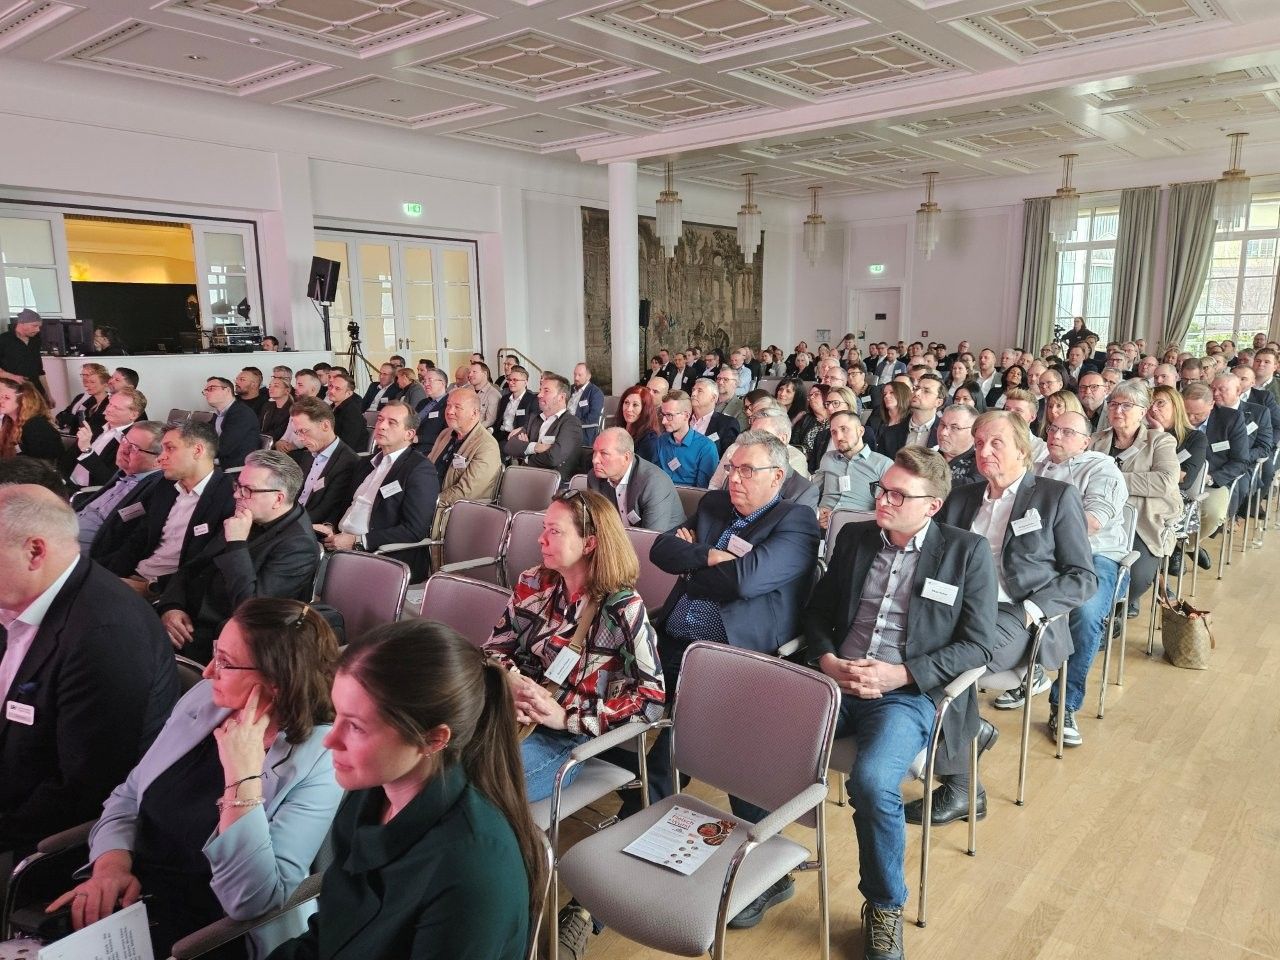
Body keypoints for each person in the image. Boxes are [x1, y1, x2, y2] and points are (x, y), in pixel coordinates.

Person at [49, 599, 342, 959]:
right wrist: (112, 866)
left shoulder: (321, 758)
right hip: (133, 900)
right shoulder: (205, 700)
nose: (206, 672)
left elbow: (252, 901)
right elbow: (129, 795)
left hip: (212, 933)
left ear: (278, 680)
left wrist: (241, 776)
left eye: (225, 662)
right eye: (215, 653)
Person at [805, 448, 997, 959]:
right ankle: (772, 866)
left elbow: (979, 645)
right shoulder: (855, 537)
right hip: (837, 680)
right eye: (880, 490)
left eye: (896, 495)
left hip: (905, 694)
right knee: (756, 738)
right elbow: (818, 612)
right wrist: (828, 661)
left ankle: (885, 906)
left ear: (932, 506)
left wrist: (901, 674)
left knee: (870, 781)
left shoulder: (966, 552)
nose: (881, 501)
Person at [266, 620, 543, 960]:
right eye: (337, 715)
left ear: (433, 739)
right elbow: (332, 934)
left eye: (355, 726)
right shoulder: (370, 797)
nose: (329, 739)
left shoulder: (471, 869)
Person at [914, 411, 1095, 826]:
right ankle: (972, 733)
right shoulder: (961, 498)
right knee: (907, 645)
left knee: (946, 662)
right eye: (978, 443)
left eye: (995, 443)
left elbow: (1082, 577)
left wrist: (1034, 610)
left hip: (1019, 614)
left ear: (1023, 449)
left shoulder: (1054, 496)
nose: (984, 451)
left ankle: (963, 788)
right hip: (954, 607)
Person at [0, 485, 179, 857]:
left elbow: (81, 791)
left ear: (34, 552)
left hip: (36, 837)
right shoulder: (22, 600)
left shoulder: (105, 636)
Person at [647, 432, 821, 805]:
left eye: (746, 470)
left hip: (731, 653)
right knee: (604, 688)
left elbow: (746, 581)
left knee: (686, 729)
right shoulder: (714, 504)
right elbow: (661, 550)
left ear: (777, 477)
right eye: (731, 469)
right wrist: (710, 555)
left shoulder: (795, 521)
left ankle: (651, 804)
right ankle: (623, 777)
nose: (734, 479)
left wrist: (691, 560)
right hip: (673, 637)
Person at [155, 451, 319, 663]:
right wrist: (171, 606)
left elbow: (250, 609)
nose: (236, 495)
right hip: (186, 614)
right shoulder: (249, 513)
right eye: (238, 485)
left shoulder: (299, 546)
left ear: (278, 498)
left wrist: (236, 543)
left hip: (221, 635)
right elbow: (192, 567)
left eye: (247, 490)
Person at [1037, 411, 1132, 745]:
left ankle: (1064, 704)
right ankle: (1026, 672)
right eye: (1052, 428)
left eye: (1066, 431)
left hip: (1095, 555)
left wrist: (1040, 537)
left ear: (1085, 441)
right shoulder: (1038, 466)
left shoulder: (1101, 468)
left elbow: (1092, 521)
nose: (1056, 436)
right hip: (1044, 554)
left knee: (1087, 613)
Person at [100, 420, 236, 591]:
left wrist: (150, 588)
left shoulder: (229, 497)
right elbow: (138, 540)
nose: (160, 457)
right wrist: (113, 576)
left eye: (170, 448)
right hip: (135, 575)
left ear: (197, 450)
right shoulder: (165, 486)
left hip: (166, 590)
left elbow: (206, 566)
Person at [320, 400, 438, 582]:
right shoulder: (366, 463)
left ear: (409, 434)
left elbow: (415, 529)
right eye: (380, 419)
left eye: (392, 423)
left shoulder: (419, 469)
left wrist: (358, 541)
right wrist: (330, 526)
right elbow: (345, 504)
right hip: (339, 544)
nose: (381, 426)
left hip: (380, 554)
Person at [1089, 381, 1180, 611]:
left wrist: (1114, 479)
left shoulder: (1159, 441)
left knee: (1136, 575)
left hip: (1143, 521)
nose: (1117, 410)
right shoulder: (1095, 441)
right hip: (1099, 516)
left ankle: (1112, 610)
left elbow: (1165, 481)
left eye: (1126, 405)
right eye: (1113, 404)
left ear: (1142, 411)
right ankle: (1096, 611)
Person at [76, 421, 165, 555]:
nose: (124, 449)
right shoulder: (124, 472)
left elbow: (124, 542)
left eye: (134, 448)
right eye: (124, 440)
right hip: (70, 526)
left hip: (83, 550)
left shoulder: (155, 491)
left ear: (158, 460)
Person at [427, 387, 501, 539]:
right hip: (428, 500)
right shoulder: (446, 434)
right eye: (448, 405)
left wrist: (429, 499)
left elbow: (466, 492)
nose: (449, 411)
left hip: (452, 511)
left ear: (475, 413)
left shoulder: (486, 446)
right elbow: (427, 468)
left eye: (457, 407)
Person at [1181, 381, 1250, 540]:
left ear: (1211, 404)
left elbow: (1240, 461)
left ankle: (1188, 546)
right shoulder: (1175, 415)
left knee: (1212, 513)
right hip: (1179, 477)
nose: (1191, 418)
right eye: (1187, 413)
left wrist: (1212, 478)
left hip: (1212, 481)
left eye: (1197, 414)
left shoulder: (1230, 419)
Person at [588, 428, 685, 531]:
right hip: (620, 541)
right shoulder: (594, 478)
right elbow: (596, 524)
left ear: (626, 457)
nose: (595, 460)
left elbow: (651, 538)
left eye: (604, 454)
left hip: (664, 542)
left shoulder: (654, 483)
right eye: (595, 452)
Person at [287, 398, 361, 532]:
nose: (300, 438)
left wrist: (285, 523)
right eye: (297, 432)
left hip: (309, 528)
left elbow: (326, 509)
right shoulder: (308, 454)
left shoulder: (347, 462)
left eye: (304, 431)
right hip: (294, 518)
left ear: (325, 426)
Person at [815, 410, 891, 526]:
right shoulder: (828, 458)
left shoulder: (883, 464)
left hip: (857, 530)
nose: (838, 437)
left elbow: (887, 508)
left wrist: (842, 518)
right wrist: (817, 512)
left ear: (860, 431)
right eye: (834, 432)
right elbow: (812, 491)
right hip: (820, 526)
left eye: (844, 429)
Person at [503, 373, 583, 481]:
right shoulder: (534, 418)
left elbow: (553, 458)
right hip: (527, 477)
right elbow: (510, 446)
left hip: (553, 484)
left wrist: (526, 454)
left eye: (546, 391)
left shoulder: (571, 423)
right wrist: (535, 447)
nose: (539, 395)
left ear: (561, 397)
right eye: (540, 390)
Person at [66, 388, 146, 489]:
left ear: (133, 415)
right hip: (67, 481)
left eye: (116, 408)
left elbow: (110, 480)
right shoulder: (97, 423)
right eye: (110, 404)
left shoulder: (132, 441)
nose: (108, 409)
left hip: (86, 492)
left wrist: (87, 450)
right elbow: (70, 456)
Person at [654, 389, 718, 488]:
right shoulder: (661, 440)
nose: (663, 421)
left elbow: (702, 491)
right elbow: (655, 475)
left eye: (669, 415)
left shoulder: (706, 447)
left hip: (688, 499)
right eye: (663, 415)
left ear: (686, 415)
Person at [880, 375, 944, 457]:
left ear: (938, 402)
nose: (917, 393)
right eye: (917, 388)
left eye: (926, 391)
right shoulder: (889, 433)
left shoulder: (946, 433)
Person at [204, 377, 260, 470]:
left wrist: (195, 452)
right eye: (205, 391)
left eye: (211, 389)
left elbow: (224, 448)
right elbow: (204, 435)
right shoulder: (218, 414)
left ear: (227, 390)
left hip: (235, 468)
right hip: (220, 463)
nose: (206, 393)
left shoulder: (241, 413)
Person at [0, 378, 61, 462]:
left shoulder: (35, 426)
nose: (0, 401)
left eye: (6, 397)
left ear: (22, 399)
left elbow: (40, 466)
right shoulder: (7, 422)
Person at [0, 309, 48, 398]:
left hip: (36, 390)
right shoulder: (3, 340)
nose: (38, 330)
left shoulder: (35, 340)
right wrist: (13, 377)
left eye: (39, 327)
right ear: (22, 323)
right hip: (13, 392)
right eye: (34, 326)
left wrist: (48, 395)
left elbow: (39, 370)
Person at [688, 378, 740, 456]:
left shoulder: (727, 424)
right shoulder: (684, 417)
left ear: (714, 398)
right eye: (693, 390)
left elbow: (728, 457)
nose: (693, 394)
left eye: (700, 391)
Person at [56, 362, 111, 435]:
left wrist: (70, 419)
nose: (87, 384)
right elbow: (63, 415)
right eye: (83, 375)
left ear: (105, 384)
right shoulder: (83, 398)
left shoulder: (109, 404)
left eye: (92, 382)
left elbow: (85, 424)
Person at [612, 384, 659, 464]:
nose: (629, 409)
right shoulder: (618, 430)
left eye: (635, 405)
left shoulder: (650, 439)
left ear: (645, 409)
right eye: (626, 403)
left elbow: (639, 468)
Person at [936, 403, 981, 487]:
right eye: (942, 425)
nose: (943, 432)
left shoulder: (980, 464)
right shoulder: (927, 457)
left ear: (974, 432)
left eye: (955, 428)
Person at [325, 372, 369, 453]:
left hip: (349, 458)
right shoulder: (331, 408)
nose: (331, 391)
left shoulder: (352, 413)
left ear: (349, 393)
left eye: (337, 389)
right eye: (331, 386)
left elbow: (347, 444)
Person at [493, 365, 537, 445]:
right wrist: (491, 429)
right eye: (509, 380)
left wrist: (522, 430)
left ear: (525, 382)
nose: (511, 382)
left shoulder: (532, 400)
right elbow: (498, 421)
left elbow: (534, 423)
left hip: (516, 436)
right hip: (500, 434)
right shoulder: (505, 399)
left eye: (515, 380)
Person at [413, 367, 450, 452]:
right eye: (424, 381)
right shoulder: (422, 403)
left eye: (430, 380)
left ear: (442, 383)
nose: (426, 384)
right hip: (411, 445)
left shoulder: (449, 404)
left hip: (431, 449)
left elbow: (448, 435)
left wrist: (418, 438)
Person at [568, 363, 605, 444]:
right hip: (565, 427)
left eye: (579, 375)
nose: (576, 378)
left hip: (583, 431)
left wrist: (573, 425)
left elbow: (593, 417)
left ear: (588, 376)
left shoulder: (595, 393)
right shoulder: (569, 389)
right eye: (575, 374)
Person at [468, 362, 503, 431]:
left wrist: (470, 430)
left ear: (485, 374)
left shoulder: (493, 395)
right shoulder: (467, 391)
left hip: (479, 432)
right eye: (469, 372)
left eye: (474, 372)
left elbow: (489, 421)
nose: (470, 375)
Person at [260, 373, 294, 443]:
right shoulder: (267, 406)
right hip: (263, 441)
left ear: (287, 391)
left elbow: (279, 433)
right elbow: (259, 425)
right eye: (270, 386)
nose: (271, 389)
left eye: (276, 386)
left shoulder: (293, 409)